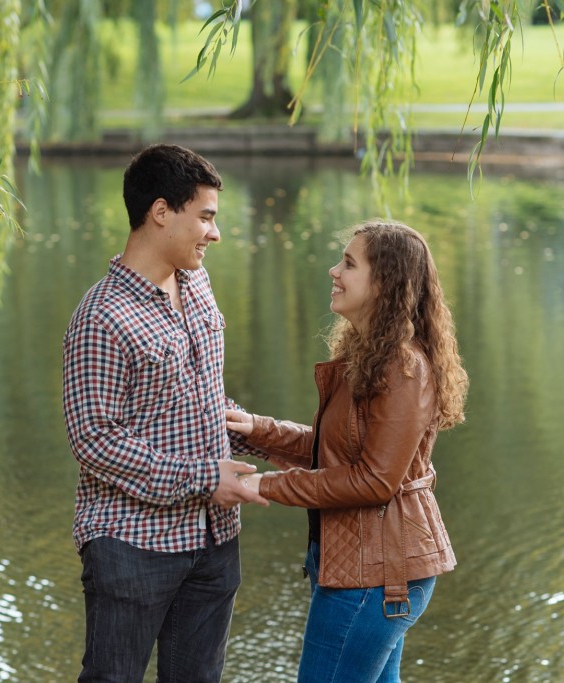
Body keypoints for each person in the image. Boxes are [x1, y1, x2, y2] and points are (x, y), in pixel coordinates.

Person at [226, 220, 469, 683]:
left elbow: (373, 480)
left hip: (377, 576)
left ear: (384, 285)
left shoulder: (403, 368)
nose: (334, 271)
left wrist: (262, 485)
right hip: (359, 565)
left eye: (349, 264)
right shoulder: (369, 354)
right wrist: (258, 429)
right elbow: (336, 452)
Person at [62, 143, 268, 683]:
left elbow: (199, 396)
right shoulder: (101, 317)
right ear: (160, 212)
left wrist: (269, 435)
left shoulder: (197, 282)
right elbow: (95, 440)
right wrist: (205, 477)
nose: (214, 233)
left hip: (215, 540)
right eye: (205, 217)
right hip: (133, 546)